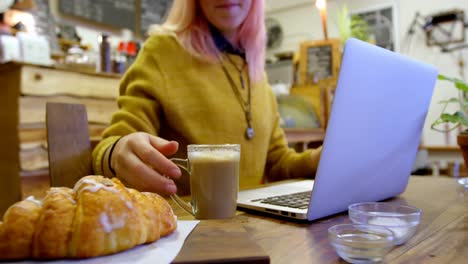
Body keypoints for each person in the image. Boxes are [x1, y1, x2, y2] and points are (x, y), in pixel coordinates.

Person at [92, 0, 322, 196]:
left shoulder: (256, 71)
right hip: (188, 232)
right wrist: (117, 153)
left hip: (255, 228)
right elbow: (111, 146)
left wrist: (317, 160)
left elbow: (277, 162)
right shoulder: (163, 51)